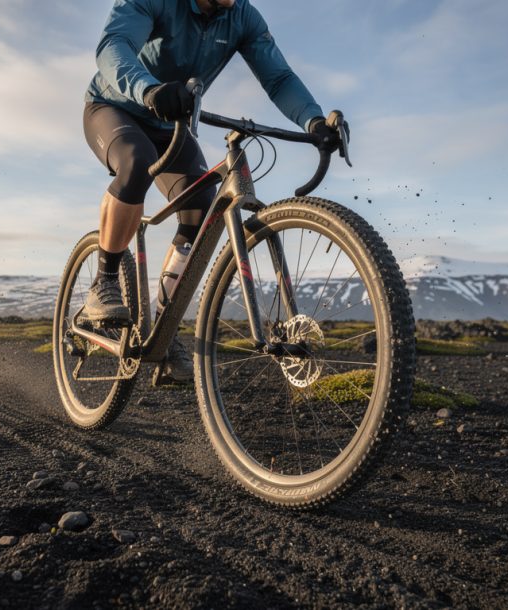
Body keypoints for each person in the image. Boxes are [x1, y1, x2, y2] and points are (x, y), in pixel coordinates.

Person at [82, 0, 340, 382]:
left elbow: (279, 78)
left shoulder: (242, 16)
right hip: (115, 106)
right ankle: (103, 280)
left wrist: (313, 120)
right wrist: (149, 90)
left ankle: (163, 331)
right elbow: (113, 46)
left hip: (173, 123)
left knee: (201, 207)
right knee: (135, 164)